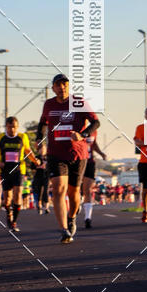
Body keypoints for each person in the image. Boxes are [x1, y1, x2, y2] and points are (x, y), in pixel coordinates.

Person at [37, 74, 100, 244]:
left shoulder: (79, 102)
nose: (61, 87)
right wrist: (39, 139)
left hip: (77, 155)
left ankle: (72, 217)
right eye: (58, 85)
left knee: (74, 193)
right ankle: (64, 229)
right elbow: (43, 123)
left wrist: (82, 135)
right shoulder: (48, 104)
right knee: (58, 189)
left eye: (64, 84)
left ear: (68, 86)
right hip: (56, 154)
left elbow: (95, 122)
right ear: (53, 88)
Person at [0, 117, 40, 232]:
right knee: (7, 199)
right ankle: (8, 215)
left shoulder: (22, 137)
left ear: (17, 126)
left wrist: (34, 160)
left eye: (15, 127)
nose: (12, 129)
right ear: (6, 126)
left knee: (18, 194)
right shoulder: (0, 137)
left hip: (18, 170)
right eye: (10, 127)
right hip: (5, 171)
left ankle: (14, 222)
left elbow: (28, 150)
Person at [81, 131, 106, 228]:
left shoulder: (93, 130)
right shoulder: (75, 125)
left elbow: (93, 144)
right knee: (76, 189)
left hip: (90, 163)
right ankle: (75, 208)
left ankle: (88, 217)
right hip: (77, 161)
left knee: (87, 190)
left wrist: (101, 153)